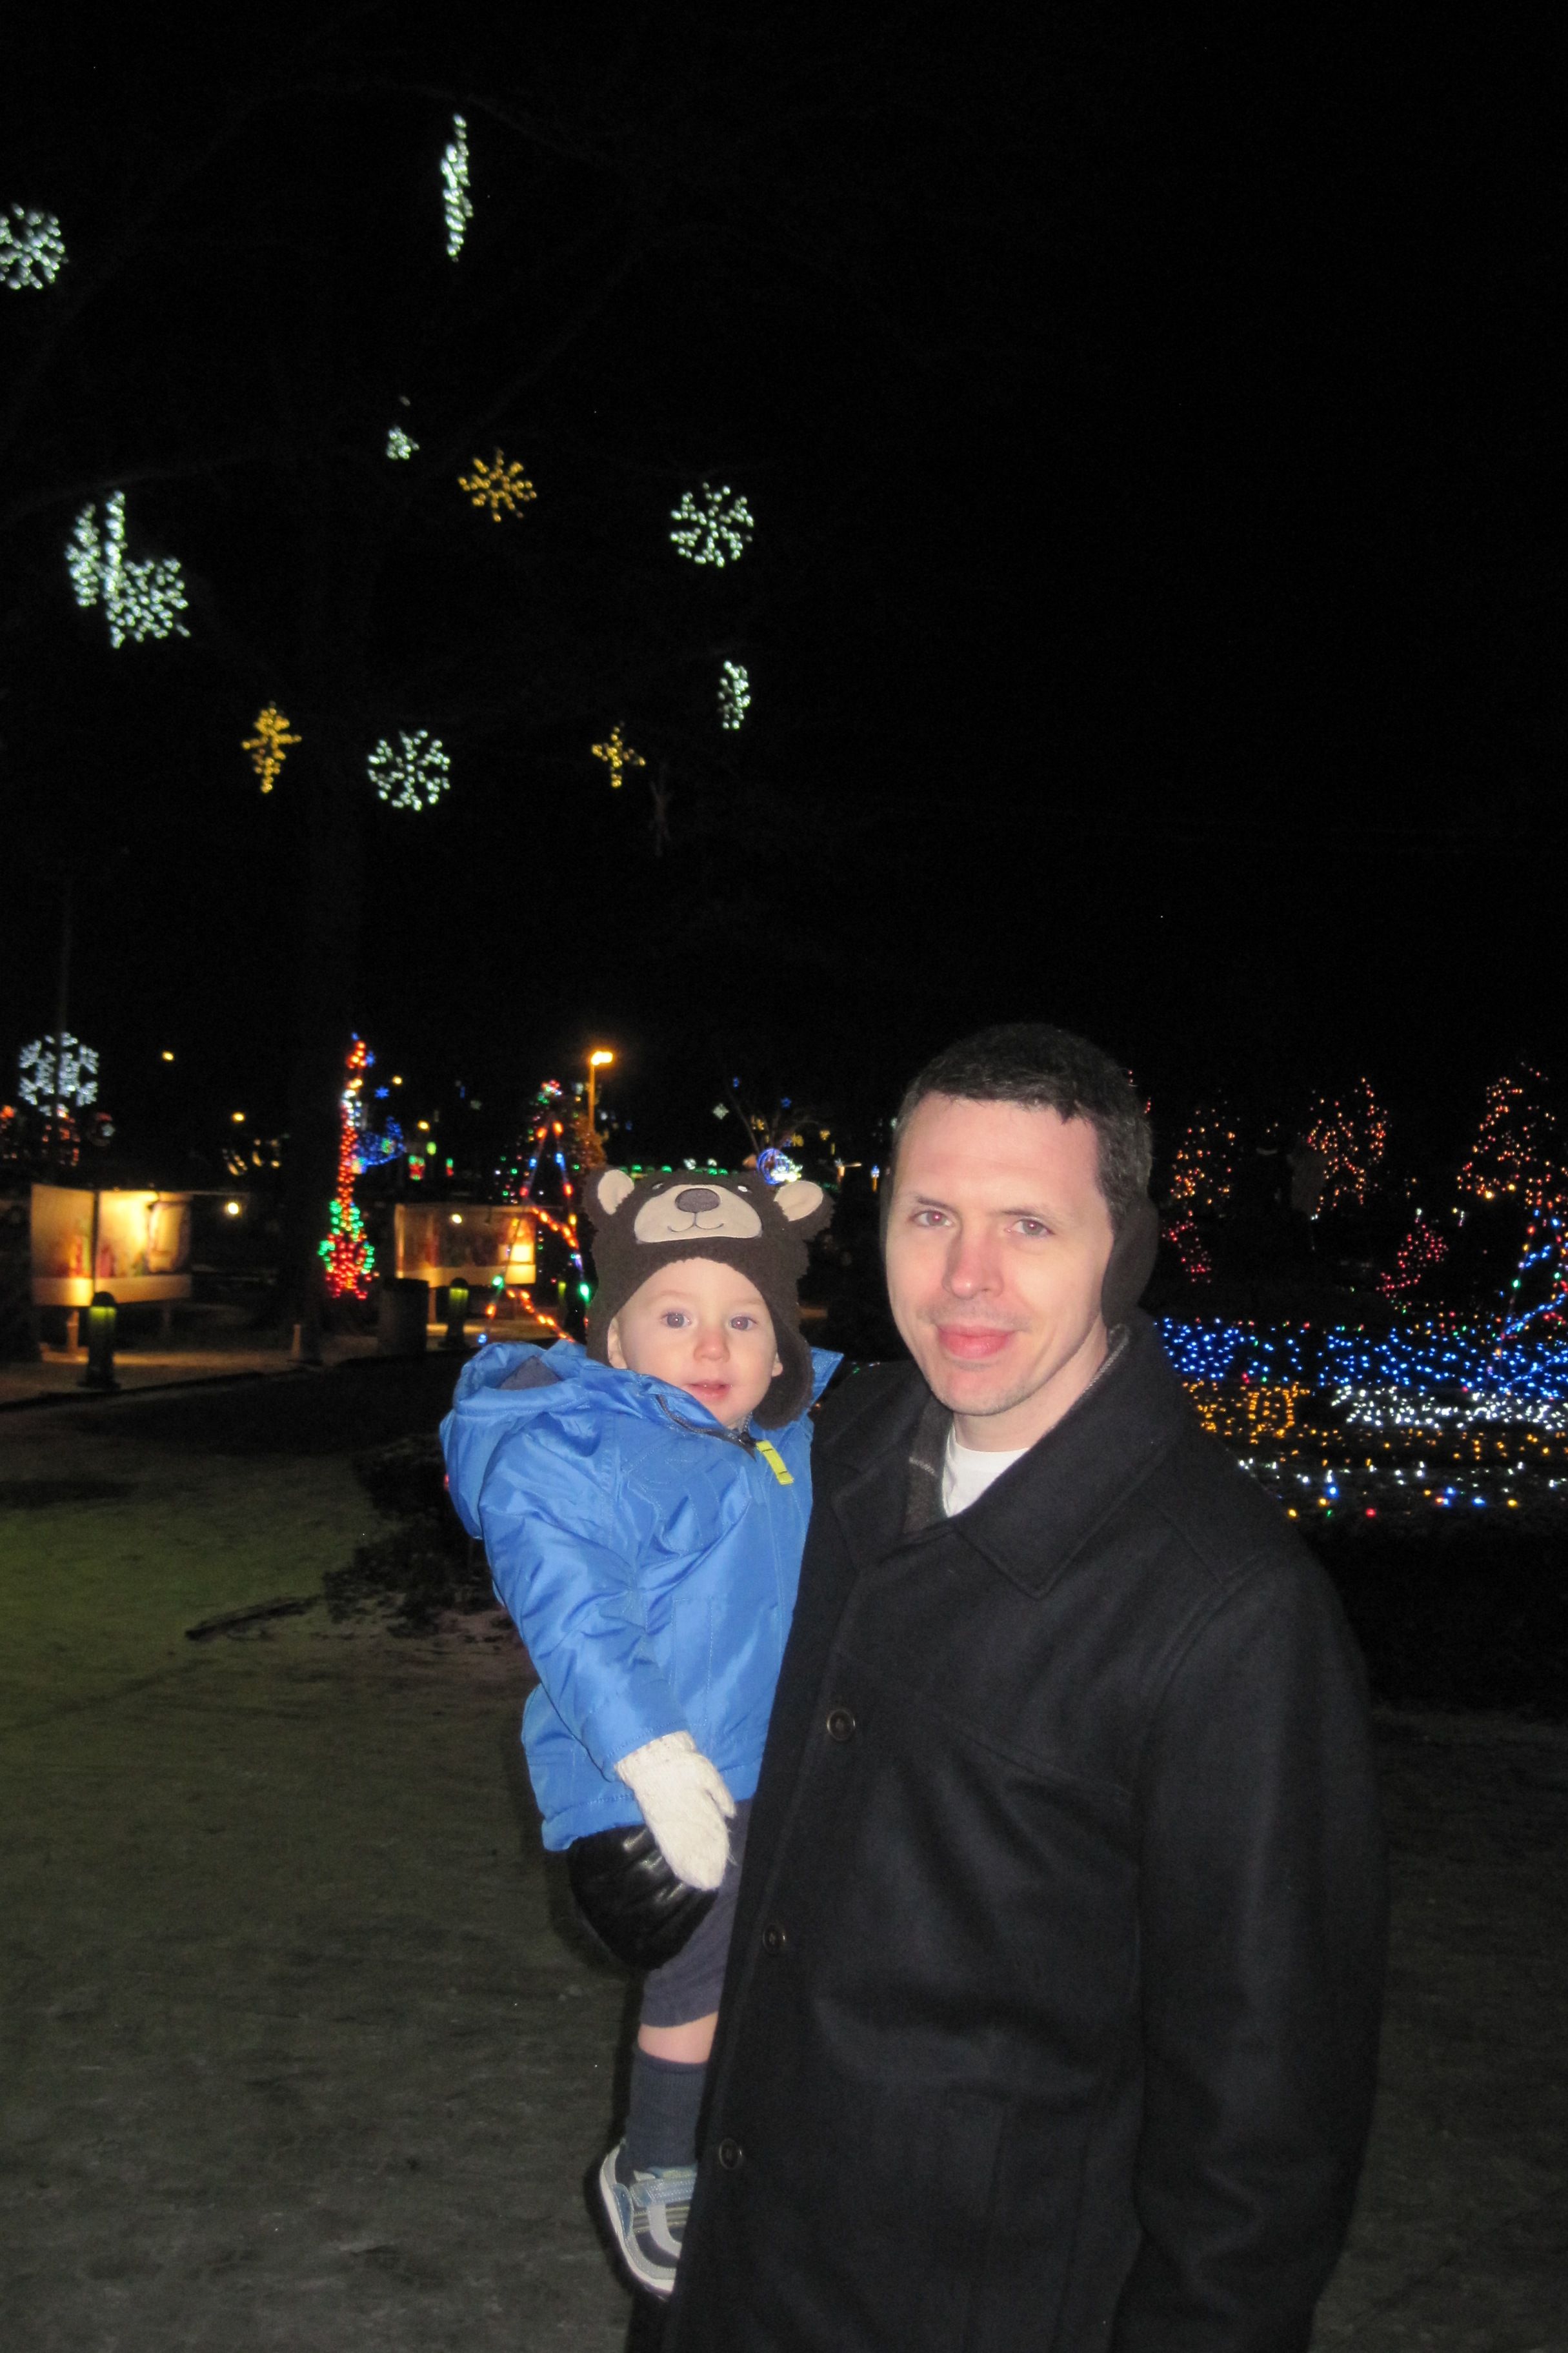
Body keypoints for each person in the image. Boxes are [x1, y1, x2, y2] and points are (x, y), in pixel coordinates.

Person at [668, 1024, 1387, 2352]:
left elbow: (1263, 2127)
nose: (966, 1278)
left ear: (1125, 1251)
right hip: (733, 2271)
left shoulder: (1230, 1614)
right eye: (931, 1214)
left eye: (1030, 1226)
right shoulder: (828, 1449)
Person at [441, 1166, 837, 2301]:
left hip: (766, 1760)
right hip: (641, 1773)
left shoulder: (781, 1441)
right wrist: (655, 1761)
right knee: (697, 1969)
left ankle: (741, 2139)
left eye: (743, 1319)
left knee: (779, 1960)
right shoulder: (579, 1453)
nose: (712, 1344)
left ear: (780, 1351)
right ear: (614, 1337)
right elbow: (578, 1622)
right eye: (675, 1315)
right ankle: (653, 2162)